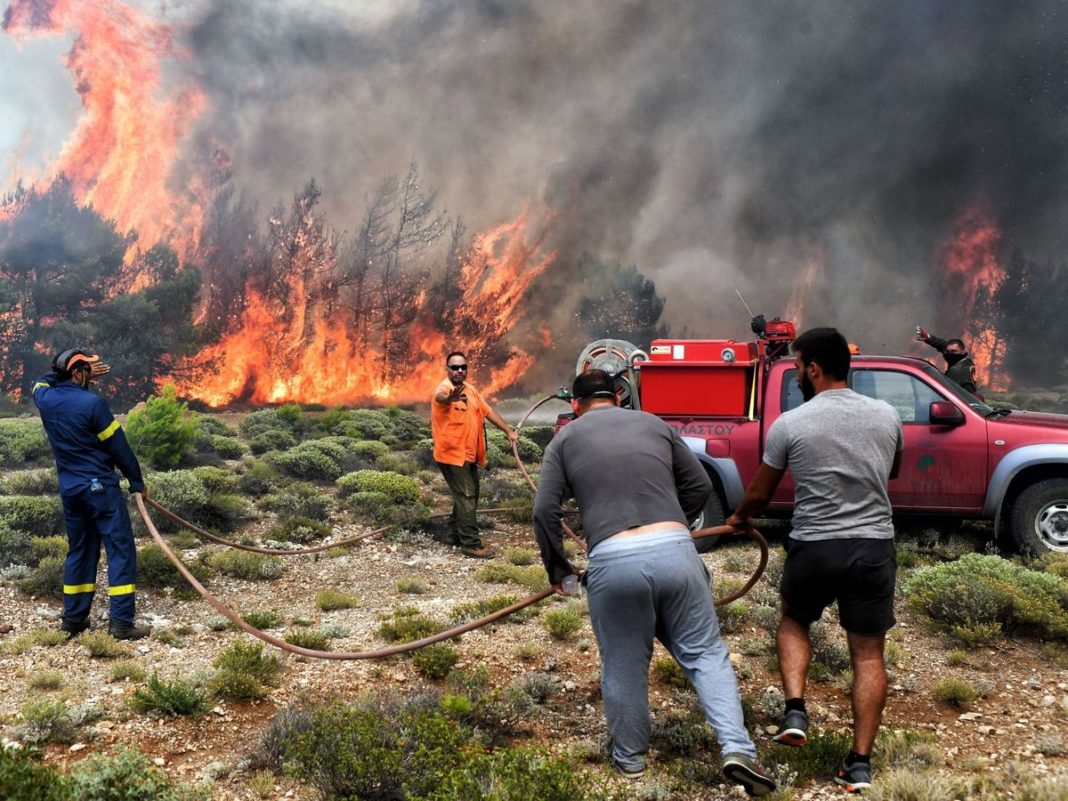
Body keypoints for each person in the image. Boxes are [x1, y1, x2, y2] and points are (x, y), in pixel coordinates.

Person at [533, 369, 776, 797]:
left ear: (575, 404)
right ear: (620, 398)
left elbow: (544, 512)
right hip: (676, 552)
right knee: (706, 655)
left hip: (612, 560)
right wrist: (675, 525)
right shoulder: (654, 423)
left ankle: (630, 761)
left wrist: (562, 574)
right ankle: (738, 748)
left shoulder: (565, 440)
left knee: (625, 664)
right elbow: (699, 484)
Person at [726, 328, 903, 793]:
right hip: (872, 547)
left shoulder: (792, 423)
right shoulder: (886, 416)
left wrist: (740, 517)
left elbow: (761, 493)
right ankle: (858, 764)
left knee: (792, 620)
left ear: (815, 369)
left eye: (800, 364)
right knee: (867, 654)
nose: (798, 373)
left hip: (816, 546)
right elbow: (893, 469)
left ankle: (796, 710)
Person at [32, 348, 150, 641]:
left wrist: (66, 369)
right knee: (120, 549)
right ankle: (121, 623)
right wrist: (136, 481)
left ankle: (73, 620)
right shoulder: (93, 404)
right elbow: (117, 446)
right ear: (77, 373)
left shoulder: (45, 399)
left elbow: (40, 382)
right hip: (100, 489)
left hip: (71, 490)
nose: (91, 379)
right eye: (86, 372)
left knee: (80, 550)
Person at [431, 351, 518, 559]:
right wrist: (450, 398)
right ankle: (470, 543)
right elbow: (440, 396)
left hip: (469, 455)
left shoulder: (471, 391)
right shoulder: (445, 388)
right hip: (452, 455)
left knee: (468, 494)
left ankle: (453, 534)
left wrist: (508, 431)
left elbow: (488, 412)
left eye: (463, 367)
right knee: (467, 495)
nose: (459, 371)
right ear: (447, 369)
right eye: (455, 367)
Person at [915, 326, 978, 393]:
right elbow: (943, 345)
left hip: (962, 400)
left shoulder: (955, 371)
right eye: (948, 351)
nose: (950, 354)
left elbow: (943, 392)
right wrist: (929, 337)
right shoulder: (967, 362)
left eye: (953, 351)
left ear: (962, 351)